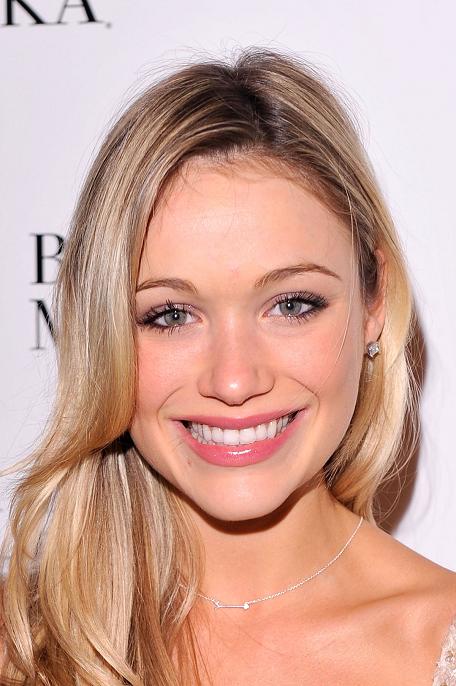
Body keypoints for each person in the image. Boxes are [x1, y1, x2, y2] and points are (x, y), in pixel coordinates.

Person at [1, 46, 455, 686]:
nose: (235, 381)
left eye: (292, 305)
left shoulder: (438, 642)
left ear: (374, 302)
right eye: (171, 315)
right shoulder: (20, 644)